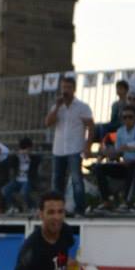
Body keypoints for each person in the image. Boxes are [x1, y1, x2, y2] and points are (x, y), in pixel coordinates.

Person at [43, 76, 97, 213]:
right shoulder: (57, 106)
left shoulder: (82, 107)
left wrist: (88, 146)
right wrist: (57, 108)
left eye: (68, 87)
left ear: (74, 89)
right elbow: (48, 123)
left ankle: (80, 210)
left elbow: (91, 126)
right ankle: (57, 209)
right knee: (57, 181)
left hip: (74, 148)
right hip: (59, 149)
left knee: (76, 180)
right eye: (63, 88)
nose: (65, 91)